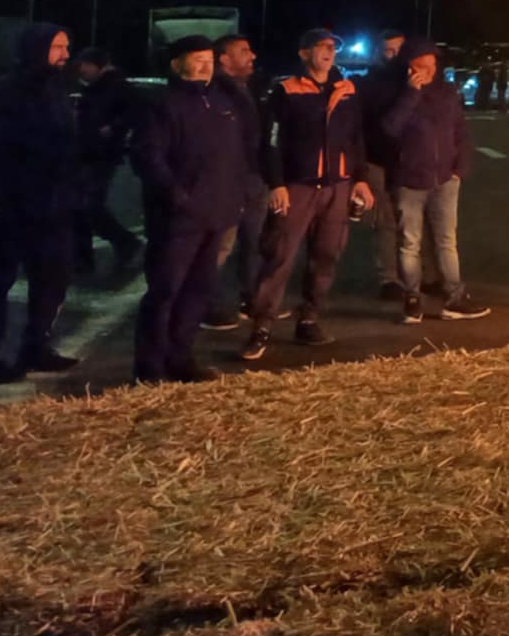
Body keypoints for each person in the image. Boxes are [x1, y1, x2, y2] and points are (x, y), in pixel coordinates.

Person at [243, 29, 376, 360]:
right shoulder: (285, 90)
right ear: (304, 53)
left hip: (338, 186)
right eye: (322, 46)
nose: (330, 52)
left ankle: (309, 319)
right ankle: (262, 327)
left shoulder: (347, 90)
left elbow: (356, 138)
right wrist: (277, 184)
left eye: (333, 47)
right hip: (297, 186)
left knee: (327, 255)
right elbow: (270, 141)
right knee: (280, 256)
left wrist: (360, 178)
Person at [130, 36, 249, 382]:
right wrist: (179, 198)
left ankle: (180, 357)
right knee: (165, 291)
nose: (205, 65)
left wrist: (235, 196)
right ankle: (149, 365)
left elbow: (237, 155)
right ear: (177, 64)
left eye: (209, 58)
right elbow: (148, 158)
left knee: (197, 291)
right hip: (177, 221)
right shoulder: (163, 104)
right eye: (197, 59)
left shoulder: (221, 102)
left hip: (217, 214)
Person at [0, 24, 83, 383]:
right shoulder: (6, 91)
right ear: (37, 49)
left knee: (53, 279)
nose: (65, 55)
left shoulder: (56, 88)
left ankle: (35, 346)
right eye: (57, 47)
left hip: (54, 208)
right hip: (13, 207)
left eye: (66, 47)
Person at [378, 37, 489, 323]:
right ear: (407, 67)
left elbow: (460, 130)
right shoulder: (395, 92)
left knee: (446, 240)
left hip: (445, 179)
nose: (427, 70)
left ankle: (454, 296)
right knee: (409, 243)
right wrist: (410, 94)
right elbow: (389, 129)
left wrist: (459, 167)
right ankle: (412, 298)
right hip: (407, 180)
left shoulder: (447, 92)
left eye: (431, 64)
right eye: (420, 65)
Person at [203, 33, 269, 330]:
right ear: (225, 60)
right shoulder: (216, 92)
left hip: (253, 176)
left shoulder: (246, 88)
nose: (252, 55)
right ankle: (206, 304)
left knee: (254, 242)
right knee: (221, 244)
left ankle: (252, 298)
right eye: (244, 51)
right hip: (231, 179)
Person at [72, 48, 144, 276]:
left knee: (89, 206)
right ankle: (82, 258)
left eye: (86, 65)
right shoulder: (92, 88)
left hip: (102, 154)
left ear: (99, 65)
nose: (82, 70)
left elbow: (138, 112)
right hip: (85, 151)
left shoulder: (118, 87)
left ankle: (126, 242)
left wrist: (114, 128)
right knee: (78, 206)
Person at [356, 29, 411, 302]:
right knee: (385, 221)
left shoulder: (415, 81)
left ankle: (417, 274)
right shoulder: (369, 84)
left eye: (398, 50)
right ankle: (389, 277)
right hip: (376, 159)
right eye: (387, 50)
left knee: (412, 220)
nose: (393, 56)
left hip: (410, 160)